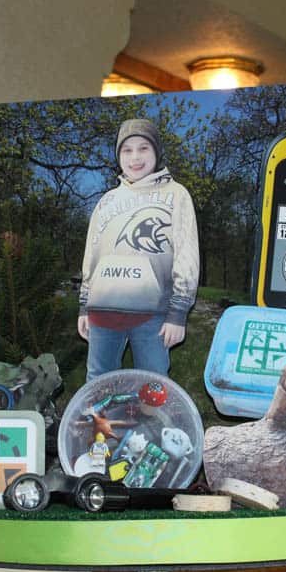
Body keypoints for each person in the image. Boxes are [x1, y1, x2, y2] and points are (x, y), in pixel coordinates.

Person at [78, 118, 199, 381]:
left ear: (156, 152)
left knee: (153, 381)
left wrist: (178, 313)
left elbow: (187, 256)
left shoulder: (176, 195)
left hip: (152, 314)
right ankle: (101, 423)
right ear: (119, 156)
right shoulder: (106, 201)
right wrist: (84, 306)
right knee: (98, 380)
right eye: (127, 150)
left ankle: (154, 423)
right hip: (103, 312)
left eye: (143, 148)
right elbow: (92, 257)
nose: (135, 157)